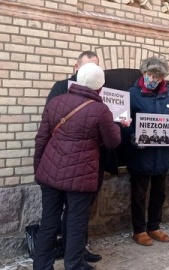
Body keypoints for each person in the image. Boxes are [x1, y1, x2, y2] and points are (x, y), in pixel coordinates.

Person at [33, 63, 121, 270]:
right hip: (81, 178)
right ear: (100, 87)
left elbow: (41, 138)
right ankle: (74, 265)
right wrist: (117, 126)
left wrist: (39, 169)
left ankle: (42, 266)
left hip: (50, 173)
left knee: (49, 222)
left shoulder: (56, 102)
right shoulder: (101, 110)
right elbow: (112, 142)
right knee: (75, 223)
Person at [44, 50, 103, 263]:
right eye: (87, 67)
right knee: (56, 216)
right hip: (62, 164)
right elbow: (48, 125)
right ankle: (61, 256)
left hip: (89, 163)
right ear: (76, 67)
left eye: (95, 67)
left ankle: (77, 251)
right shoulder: (60, 88)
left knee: (79, 215)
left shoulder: (101, 92)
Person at [124, 56, 169, 246]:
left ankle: (154, 226)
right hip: (141, 155)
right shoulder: (132, 93)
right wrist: (132, 136)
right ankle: (139, 230)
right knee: (139, 195)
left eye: (158, 75)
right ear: (144, 73)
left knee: (159, 193)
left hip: (162, 156)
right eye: (150, 74)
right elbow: (124, 122)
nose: (153, 79)